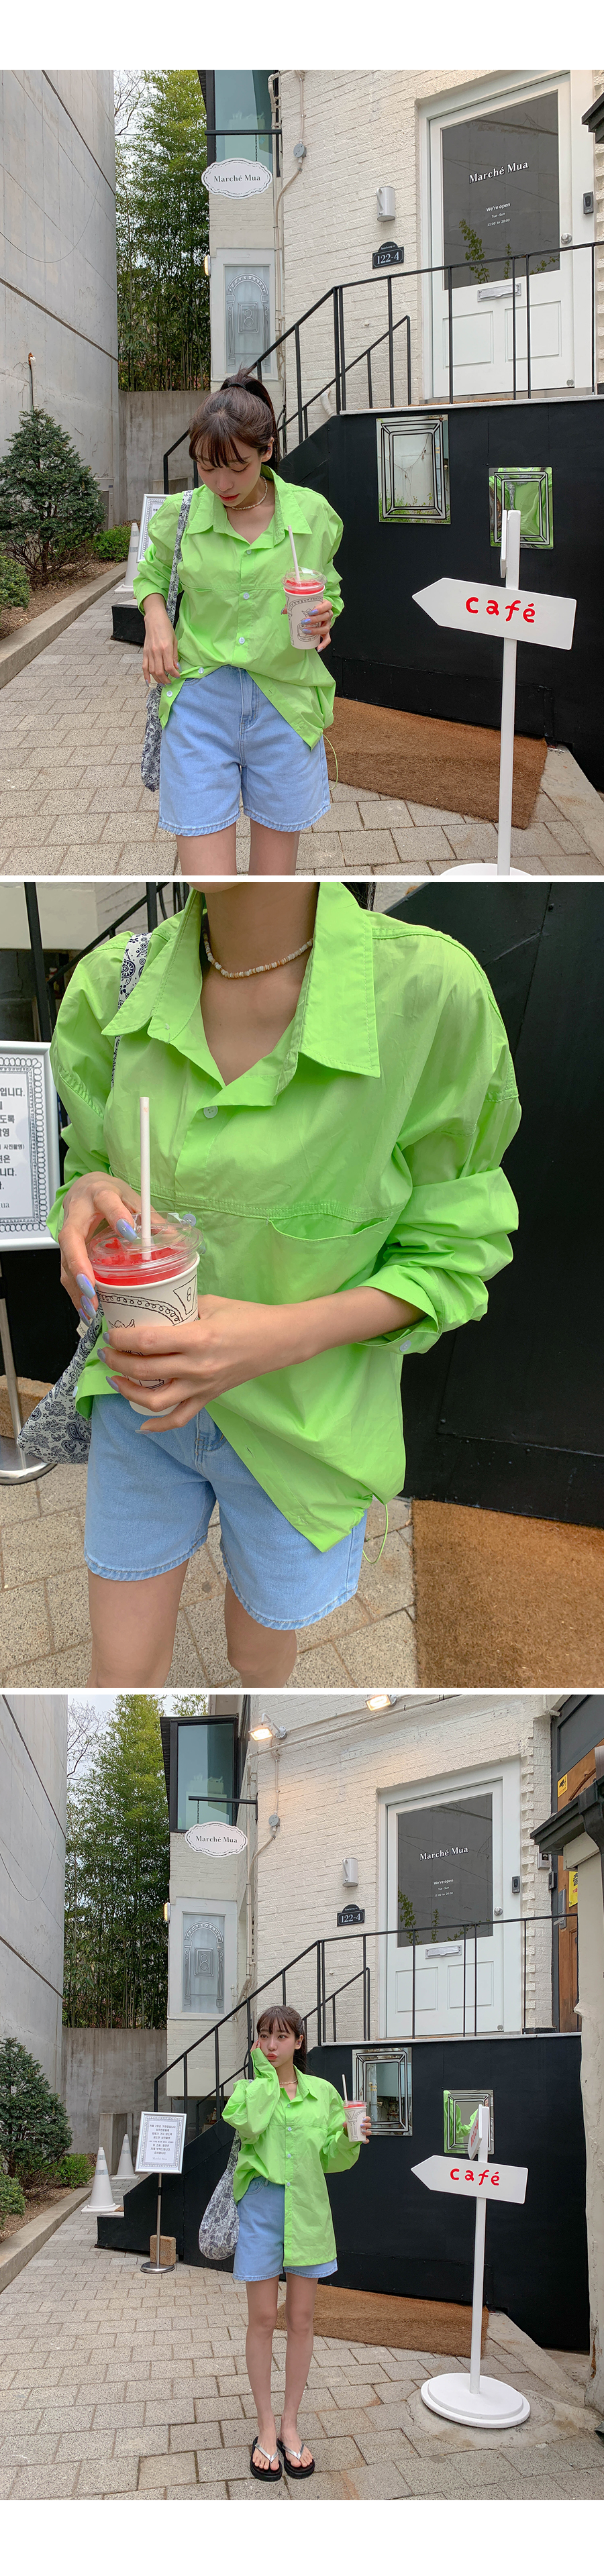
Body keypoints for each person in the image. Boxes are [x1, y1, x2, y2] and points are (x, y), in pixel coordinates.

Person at [47, 878, 521, 1689]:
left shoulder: (429, 994)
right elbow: (89, 1167)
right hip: (138, 1394)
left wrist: (274, 1336)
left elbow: (454, 1248)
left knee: (259, 1657)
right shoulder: (110, 988)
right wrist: (85, 1200)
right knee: (119, 1672)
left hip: (308, 1429)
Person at [134, 368, 342, 878]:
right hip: (199, 703)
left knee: (271, 886)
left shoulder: (312, 516)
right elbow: (152, 575)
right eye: (207, 468)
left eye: (237, 467)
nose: (221, 484)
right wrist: (156, 618)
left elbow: (329, 589)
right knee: (212, 885)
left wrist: (325, 616)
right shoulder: (181, 516)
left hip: (285, 703)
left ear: (267, 450)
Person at [222, 2004, 371, 2481]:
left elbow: (331, 2158)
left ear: (299, 2042)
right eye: (264, 2036)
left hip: (307, 2208)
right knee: (264, 2318)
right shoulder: (248, 2091)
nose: (272, 2045)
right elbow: (250, 2126)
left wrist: (351, 2138)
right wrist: (266, 2076)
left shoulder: (324, 2093)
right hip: (262, 2208)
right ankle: (265, 2426)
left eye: (282, 2037)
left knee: (302, 2320)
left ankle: (290, 2424)